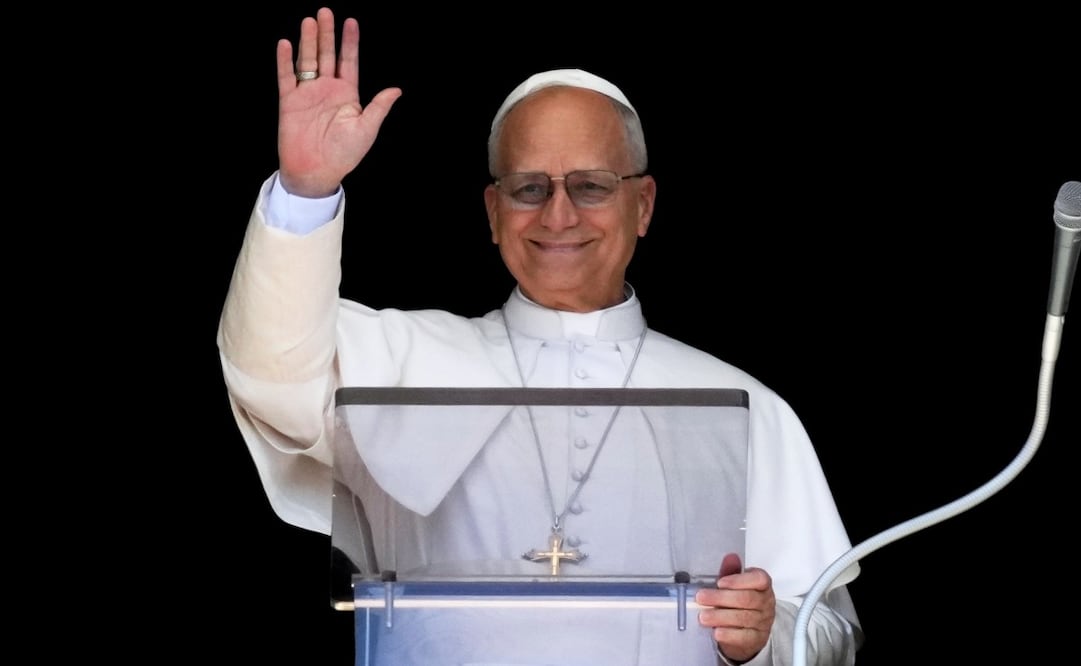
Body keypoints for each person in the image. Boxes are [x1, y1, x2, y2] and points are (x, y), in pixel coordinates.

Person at [217, 7, 863, 664]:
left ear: (641, 206)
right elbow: (270, 373)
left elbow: (830, 634)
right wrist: (306, 189)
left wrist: (763, 635)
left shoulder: (744, 404)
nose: (558, 214)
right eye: (528, 188)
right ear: (493, 214)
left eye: (590, 186)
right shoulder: (401, 361)